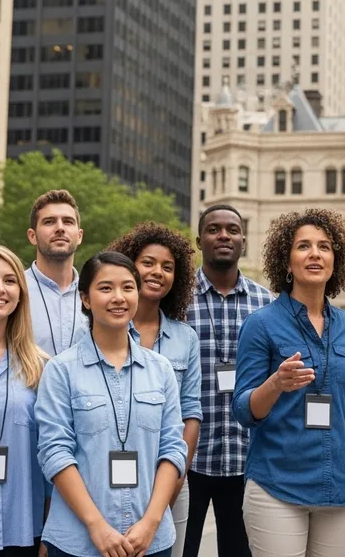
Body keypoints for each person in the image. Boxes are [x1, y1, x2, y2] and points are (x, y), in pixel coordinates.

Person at [234, 209, 345, 557]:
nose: (315, 254)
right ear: (286, 261)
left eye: (324, 247)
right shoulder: (261, 324)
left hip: (343, 489)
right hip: (277, 485)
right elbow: (242, 410)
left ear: (336, 261)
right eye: (303, 246)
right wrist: (275, 384)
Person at [35, 251, 187, 557]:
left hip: (151, 541)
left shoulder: (161, 369)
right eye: (105, 288)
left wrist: (151, 523)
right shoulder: (61, 370)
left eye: (128, 287)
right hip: (79, 541)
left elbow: (173, 448)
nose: (118, 297)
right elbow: (54, 452)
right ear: (86, 299)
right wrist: (97, 526)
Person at [108, 223, 203, 557]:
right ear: (129, 264)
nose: (157, 272)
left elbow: (191, 414)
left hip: (170, 476)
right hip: (106, 475)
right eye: (148, 262)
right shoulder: (101, 329)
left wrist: (177, 476)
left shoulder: (185, 337)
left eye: (168, 267)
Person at [183, 204, 272, 557]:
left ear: (243, 241)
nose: (224, 235)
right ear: (199, 240)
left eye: (232, 230)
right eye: (214, 229)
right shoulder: (175, 301)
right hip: (187, 459)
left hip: (245, 459)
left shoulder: (265, 303)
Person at [0, 245, 47, 557]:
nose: (0, 289)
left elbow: (53, 453)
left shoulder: (41, 368)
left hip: (24, 530)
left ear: (20, 293)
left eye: (10, 281)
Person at [26, 190, 86, 357]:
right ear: (32, 236)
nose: (60, 228)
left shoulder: (95, 295)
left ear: (79, 236)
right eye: (49, 222)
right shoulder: (14, 290)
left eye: (68, 222)